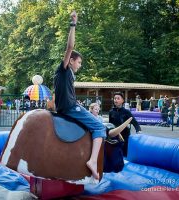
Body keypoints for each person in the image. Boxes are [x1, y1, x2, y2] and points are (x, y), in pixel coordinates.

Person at [54, 11, 106, 180]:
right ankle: (92, 161)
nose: (80, 65)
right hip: (68, 108)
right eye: (79, 62)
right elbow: (70, 47)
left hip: (68, 106)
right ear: (70, 61)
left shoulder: (68, 76)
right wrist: (73, 24)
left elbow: (66, 93)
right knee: (100, 127)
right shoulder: (63, 69)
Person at [109, 92, 141, 157]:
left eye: (118, 98)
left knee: (124, 154)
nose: (116, 100)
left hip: (125, 136)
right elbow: (110, 125)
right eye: (115, 98)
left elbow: (134, 122)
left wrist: (138, 131)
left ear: (122, 100)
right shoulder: (111, 111)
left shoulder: (126, 112)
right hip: (115, 136)